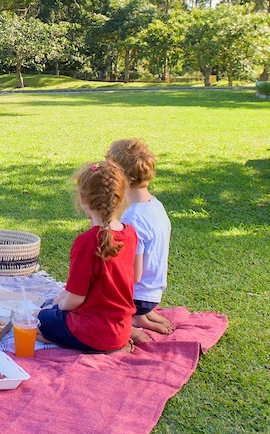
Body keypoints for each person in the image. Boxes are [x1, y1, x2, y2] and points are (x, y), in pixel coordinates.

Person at [36, 161, 140, 354]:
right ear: (121, 197)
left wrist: (59, 305)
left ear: (83, 198)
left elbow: (75, 299)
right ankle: (115, 343)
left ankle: (101, 348)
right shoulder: (130, 233)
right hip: (121, 327)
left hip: (92, 330)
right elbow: (133, 277)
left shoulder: (88, 242)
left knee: (38, 322)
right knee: (52, 313)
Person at [106, 138, 174, 339]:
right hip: (153, 293)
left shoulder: (132, 217)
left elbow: (133, 274)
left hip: (137, 297)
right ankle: (145, 314)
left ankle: (135, 319)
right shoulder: (155, 205)